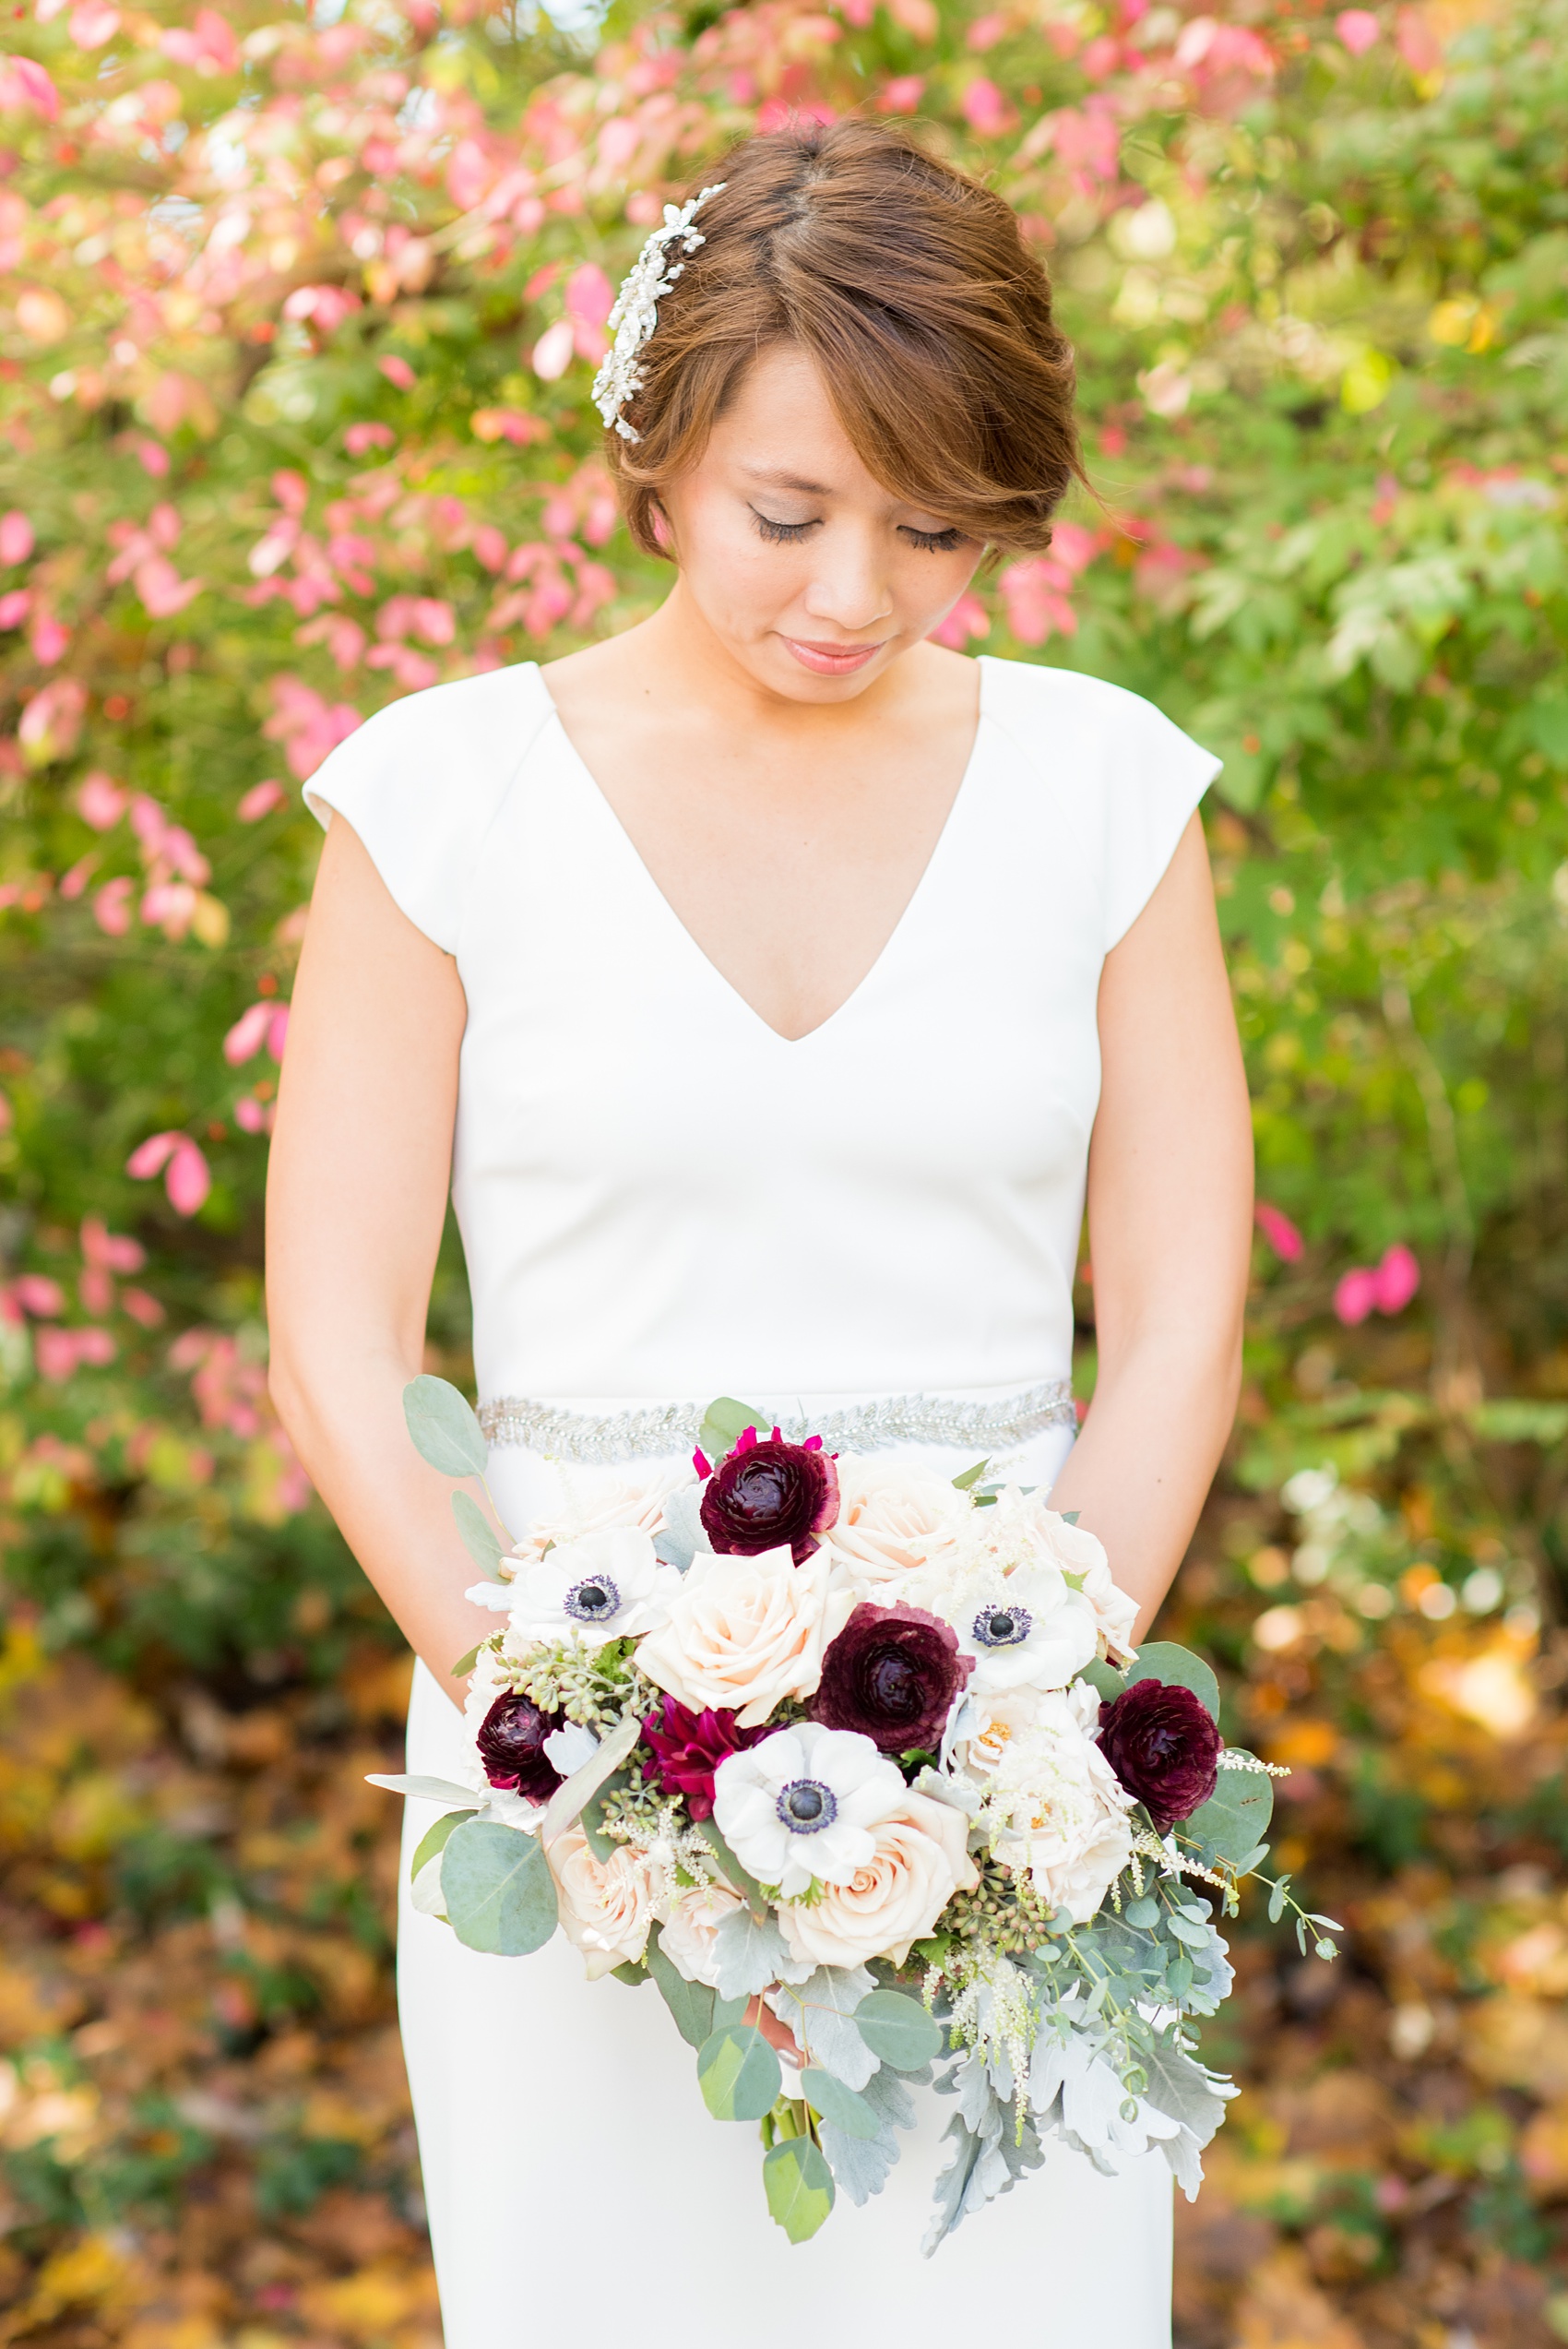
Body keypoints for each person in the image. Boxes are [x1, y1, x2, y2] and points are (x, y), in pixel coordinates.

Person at [267, 116, 1252, 2349]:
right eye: (788, 513)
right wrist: (557, 1748)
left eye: (933, 530)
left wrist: (1023, 1741)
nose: (855, 593)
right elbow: (336, 1334)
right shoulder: (442, 800)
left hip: (1010, 1800)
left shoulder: (1105, 790)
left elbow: (1181, 1317)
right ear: (653, 452)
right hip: (556, 1770)